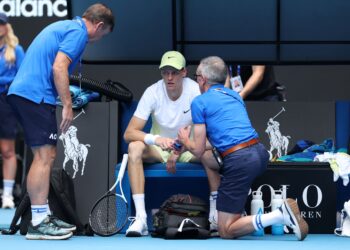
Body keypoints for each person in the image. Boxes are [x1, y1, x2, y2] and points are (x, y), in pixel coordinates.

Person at [7, 3, 114, 240]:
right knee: (45, 156)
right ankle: (38, 222)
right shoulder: (78, 33)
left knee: (46, 155)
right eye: (102, 35)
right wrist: (67, 103)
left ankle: (41, 215)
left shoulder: (67, 26)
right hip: (34, 95)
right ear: (98, 25)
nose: (98, 40)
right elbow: (59, 67)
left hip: (29, 94)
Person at [177, 56, 309, 240]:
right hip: (259, 153)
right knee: (209, 159)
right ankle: (227, 209)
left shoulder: (199, 102)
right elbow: (217, 142)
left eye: (196, 75)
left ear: (202, 79)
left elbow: (197, 150)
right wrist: (186, 147)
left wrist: (185, 140)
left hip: (240, 161)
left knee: (226, 231)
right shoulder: (235, 96)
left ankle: (279, 215)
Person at [123, 51, 203, 237]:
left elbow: (206, 131)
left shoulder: (195, 91)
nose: (169, 77)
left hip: (189, 148)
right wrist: (157, 140)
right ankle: (141, 218)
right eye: (165, 72)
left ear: (184, 72)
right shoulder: (153, 92)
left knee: (213, 154)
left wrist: (179, 150)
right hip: (160, 150)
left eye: (174, 72)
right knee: (134, 147)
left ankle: (217, 214)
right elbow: (129, 133)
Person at [0, 12, 25, 209]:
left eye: (1, 23)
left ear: (7, 26)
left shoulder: (16, 50)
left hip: (6, 103)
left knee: (8, 150)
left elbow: (22, 76)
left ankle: (7, 195)